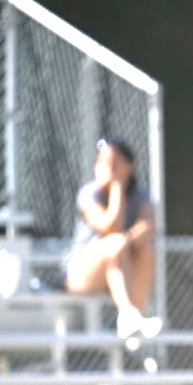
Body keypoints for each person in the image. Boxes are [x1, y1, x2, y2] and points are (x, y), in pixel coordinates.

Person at [63, 137, 162, 340]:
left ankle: (135, 322)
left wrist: (127, 240)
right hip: (80, 274)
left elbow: (147, 225)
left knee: (146, 249)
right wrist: (117, 186)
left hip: (119, 269)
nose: (107, 167)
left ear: (129, 166)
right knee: (115, 243)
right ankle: (129, 316)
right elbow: (111, 227)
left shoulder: (141, 195)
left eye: (114, 162)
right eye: (102, 161)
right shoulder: (89, 194)